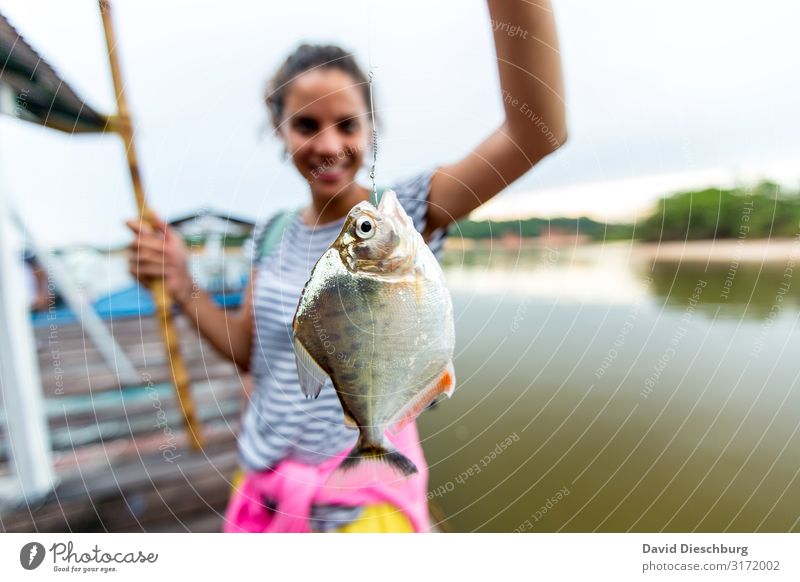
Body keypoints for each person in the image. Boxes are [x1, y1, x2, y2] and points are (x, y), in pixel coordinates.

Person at [127, 0, 566, 532]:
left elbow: (535, 133)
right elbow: (250, 354)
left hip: (362, 506)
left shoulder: (402, 215)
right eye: (306, 124)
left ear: (370, 128)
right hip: (265, 490)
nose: (329, 145)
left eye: (347, 124)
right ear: (279, 130)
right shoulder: (269, 236)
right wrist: (180, 283)